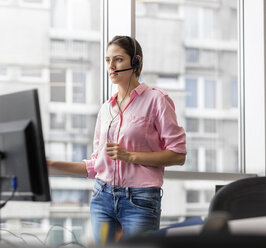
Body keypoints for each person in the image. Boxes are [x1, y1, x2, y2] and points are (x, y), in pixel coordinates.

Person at [47, 35, 186, 244]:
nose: (111, 66)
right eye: (107, 60)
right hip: (102, 197)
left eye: (118, 59)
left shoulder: (157, 100)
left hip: (140, 200)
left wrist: (129, 156)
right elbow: (96, 166)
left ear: (135, 61)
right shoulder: (106, 109)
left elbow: (178, 155)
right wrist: (50, 165)